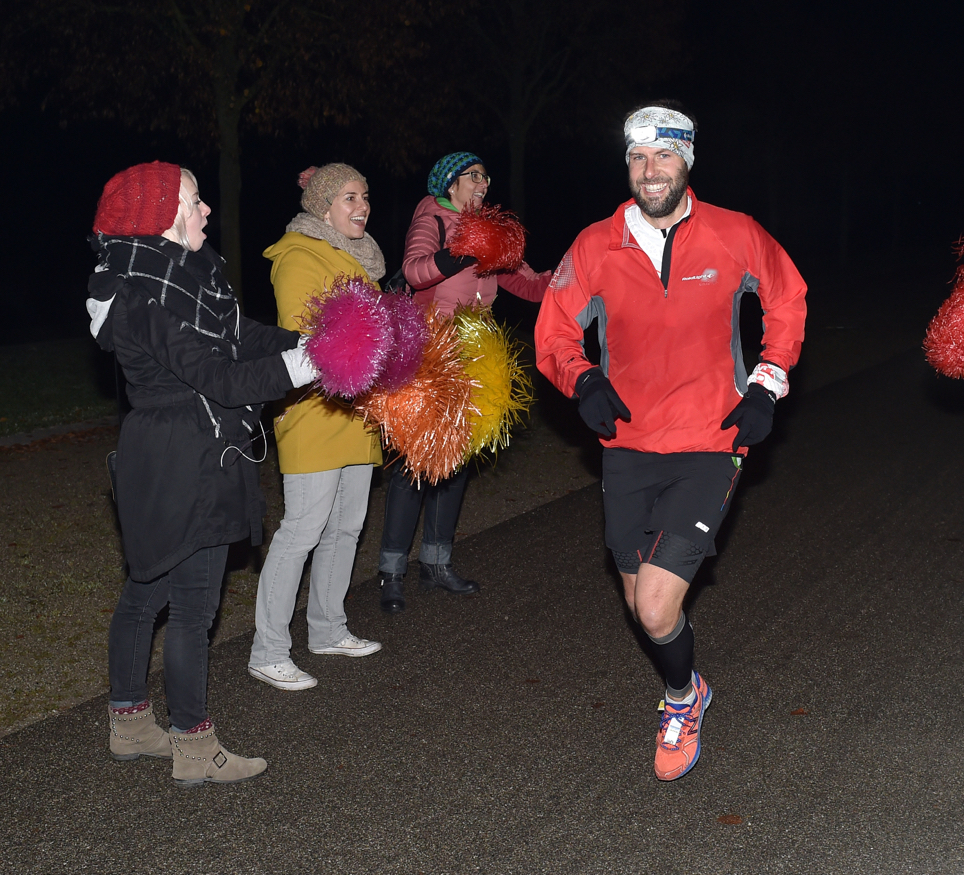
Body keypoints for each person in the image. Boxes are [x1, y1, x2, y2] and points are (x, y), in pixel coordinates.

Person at [534, 104, 807, 781]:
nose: (649, 171)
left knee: (657, 604)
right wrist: (583, 379)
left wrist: (767, 384)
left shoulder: (734, 233)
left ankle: (681, 700)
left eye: (663, 156)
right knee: (638, 604)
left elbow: (789, 296)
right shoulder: (596, 244)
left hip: (711, 439)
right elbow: (553, 330)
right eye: (637, 158)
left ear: (687, 160)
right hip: (626, 443)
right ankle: (690, 682)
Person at [88, 161, 317, 785]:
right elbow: (221, 379)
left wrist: (309, 339)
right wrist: (306, 366)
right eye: (194, 201)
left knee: (148, 592)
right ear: (160, 217)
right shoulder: (147, 299)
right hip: (188, 455)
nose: (207, 211)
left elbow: (241, 338)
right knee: (190, 605)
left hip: (170, 452)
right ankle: (194, 747)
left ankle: (131, 724)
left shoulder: (178, 283)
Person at [374, 151, 551, 612]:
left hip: (475, 356)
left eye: (487, 177)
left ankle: (436, 565)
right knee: (415, 464)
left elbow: (528, 284)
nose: (484, 183)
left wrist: (573, 275)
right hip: (429, 357)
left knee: (457, 462)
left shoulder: (488, 230)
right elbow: (414, 272)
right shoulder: (431, 218)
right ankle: (390, 573)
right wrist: (459, 252)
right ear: (450, 183)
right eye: (475, 176)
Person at [247, 164, 386, 691]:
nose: (362, 205)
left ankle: (328, 628)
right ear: (323, 206)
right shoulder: (298, 256)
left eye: (365, 195)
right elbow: (308, 338)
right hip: (313, 409)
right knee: (302, 529)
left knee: (347, 526)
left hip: (357, 409)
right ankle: (268, 650)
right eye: (350, 196)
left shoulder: (360, 257)